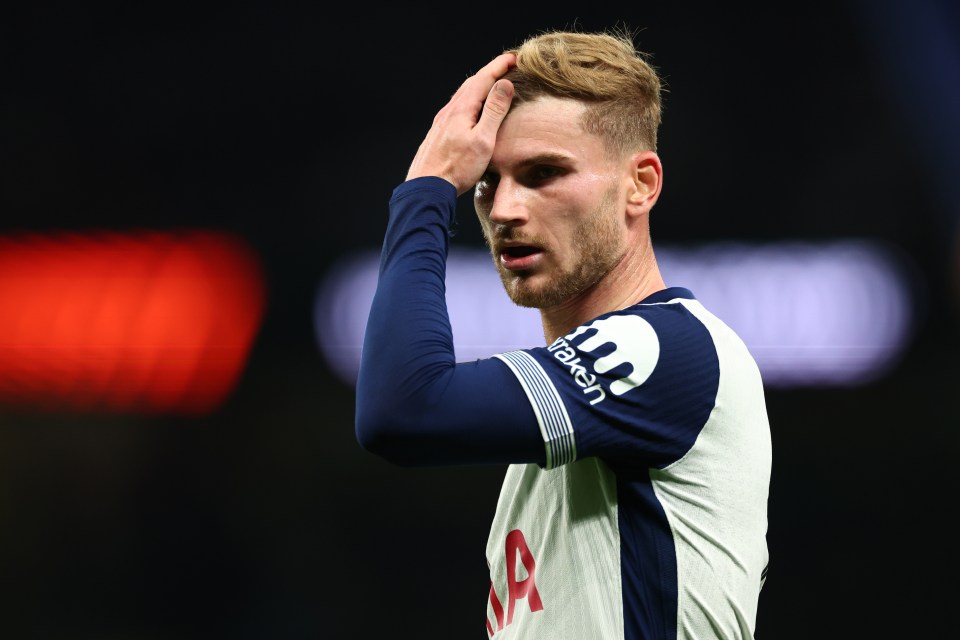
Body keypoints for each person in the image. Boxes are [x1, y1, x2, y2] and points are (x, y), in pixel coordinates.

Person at [355, 27, 772, 639]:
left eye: (543, 173)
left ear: (642, 184)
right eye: (486, 181)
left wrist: (426, 191)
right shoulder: (564, 435)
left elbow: (403, 409)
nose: (503, 210)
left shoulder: (665, 350)